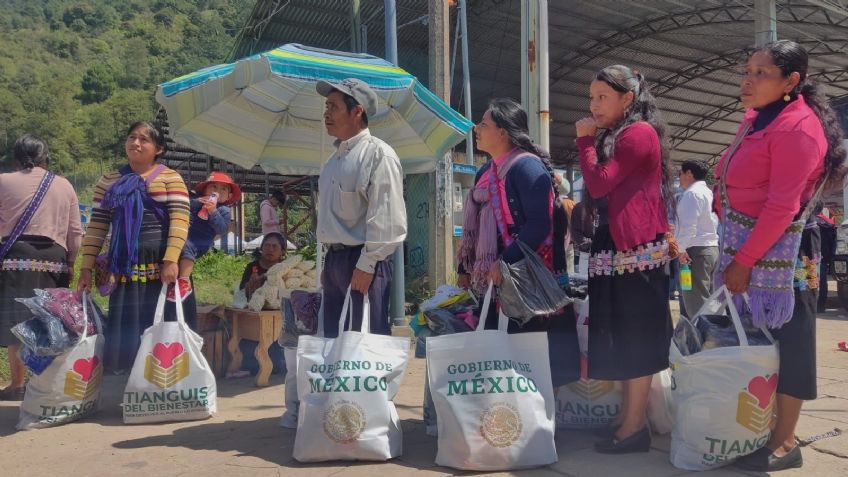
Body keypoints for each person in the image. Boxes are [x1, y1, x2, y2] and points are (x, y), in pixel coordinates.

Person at [716, 41, 846, 472]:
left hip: (785, 253)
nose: (748, 80)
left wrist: (745, 260)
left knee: (791, 344)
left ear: (792, 81)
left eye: (761, 73)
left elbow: (781, 206)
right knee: (758, 344)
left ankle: (785, 439)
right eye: (746, 70)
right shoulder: (754, 119)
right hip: (747, 246)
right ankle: (758, 427)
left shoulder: (798, 129)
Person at [575, 65, 674, 453]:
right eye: (591, 97)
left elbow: (599, 181)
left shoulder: (637, 133)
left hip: (636, 251)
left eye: (602, 97)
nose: (593, 105)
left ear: (627, 99)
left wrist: (584, 142)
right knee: (620, 333)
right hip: (618, 247)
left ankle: (634, 427)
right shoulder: (618, 134)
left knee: (636, 337)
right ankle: (626, 418)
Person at [456, 98, 578, 389]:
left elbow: (540, 223)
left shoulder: (526, 168)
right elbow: (475, 228)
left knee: (531, 355)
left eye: (484, 124)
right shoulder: (486, 172)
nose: (477, 128)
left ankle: (538, 421)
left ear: (503, 133)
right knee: (501, 355)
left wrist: (506, 260)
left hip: (526, 281)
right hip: (495, 280)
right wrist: (465, 269)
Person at [77, 121, 190, 373]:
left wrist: (171, 260)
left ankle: (160, 380)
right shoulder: (109, 180)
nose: (135, 143)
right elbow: (97, 226)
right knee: (127, 326)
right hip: (123, 265)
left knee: (160, 322)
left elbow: (180, 222)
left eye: (143, 139)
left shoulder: (171, 178)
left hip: (159, 264)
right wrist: (86, 267)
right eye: (131, 137)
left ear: (158, 148)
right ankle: (130, 381)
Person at [315, 78, 406, 338]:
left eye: (333, 107)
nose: (326, 113)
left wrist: (367, 265)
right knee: (334, 342)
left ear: (357, 111)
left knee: (364, 345)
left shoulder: (379, 155)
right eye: (326, 106)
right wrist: (328, 265)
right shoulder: (333, 161)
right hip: (336, 261)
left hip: (364, 261)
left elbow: (388, 221)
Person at [0, 135, 83, 400]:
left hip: (15, 258)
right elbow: (75, 232)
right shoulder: (64, 185)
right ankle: (45, 384)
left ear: (16, 156)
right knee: (49, 323)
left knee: (16, 323)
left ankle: (17, 384)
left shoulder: (3, 181)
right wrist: (70, 263)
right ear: (45, 156)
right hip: (54, 259)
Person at [167, 171, 241, 301]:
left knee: (187, 247)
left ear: (228, 196)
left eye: (223, 189)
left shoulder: (224, 210)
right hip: (184, 233)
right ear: (205, 189)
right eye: (214, 187)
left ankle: (184, 281)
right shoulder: (197, 201)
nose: (218, 191)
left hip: (199, 241)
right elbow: (182, 207)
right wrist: (196, 202)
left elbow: (222, 229)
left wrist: (213, 211)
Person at [676, 159, 719, 317]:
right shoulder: (708, 192)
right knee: (710, 300)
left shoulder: (692, 194)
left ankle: (701, 337)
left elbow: (688, 227)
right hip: (710, 249)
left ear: (689, 173)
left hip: (694, 252)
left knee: (695, 302)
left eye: (680, 173)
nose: (679, 177)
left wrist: (680, 250)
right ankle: (712, 335)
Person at [239, 232, 287, 300]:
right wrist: (251, 285)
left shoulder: (287, 269)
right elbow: (241, 290)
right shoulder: (252, 267)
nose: (270, 249)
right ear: (261, 248)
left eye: (274, 246)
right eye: (267, 245)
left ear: (282, 251)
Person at [816, 208, 836, 312]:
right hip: (823, 258)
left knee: (807, 282)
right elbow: (833, 242)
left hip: (809, 258)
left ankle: (808, 304)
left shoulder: (809, 222)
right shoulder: (829, 223)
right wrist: (830, 258)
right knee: (823, 282)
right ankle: (821, 306)